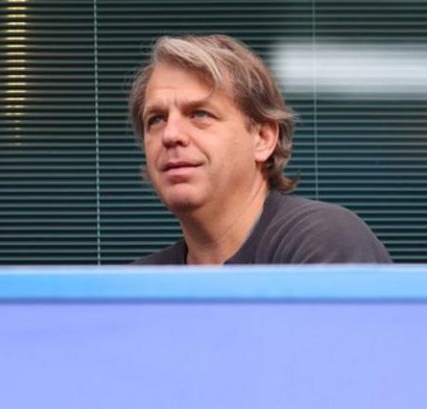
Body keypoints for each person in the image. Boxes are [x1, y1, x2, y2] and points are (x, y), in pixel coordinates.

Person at [129, 34, 390, 264]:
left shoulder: (323, 240)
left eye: (200, 114)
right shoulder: (137, 289)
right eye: (156, 119)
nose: (171, 135)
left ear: (263, 138)